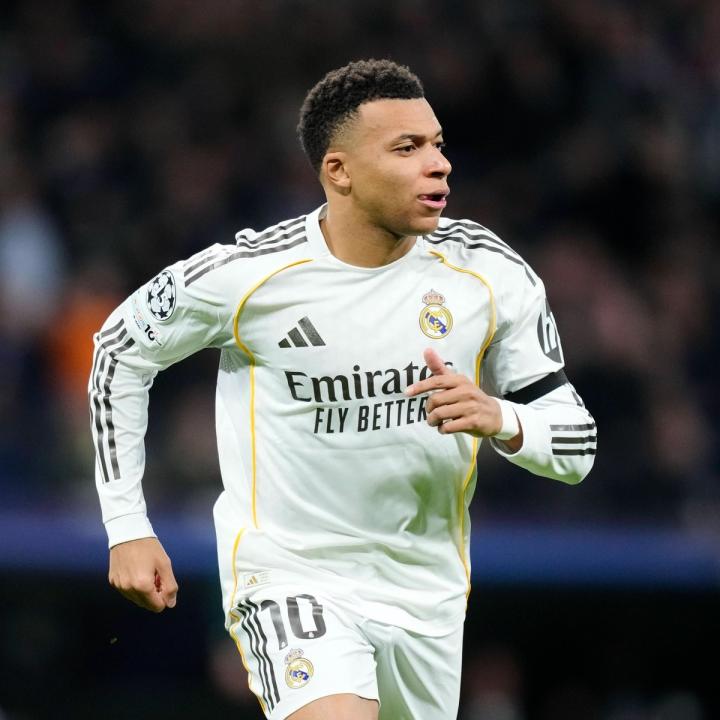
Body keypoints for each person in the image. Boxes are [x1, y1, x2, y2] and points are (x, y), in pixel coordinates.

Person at [89, 58, 596, 720]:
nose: (439, 165)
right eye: (407, 148)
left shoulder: (487, 272)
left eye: (438, 144)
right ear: (339, 171)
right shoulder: (251, 274)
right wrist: (127, 526)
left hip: (428, 596)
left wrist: (501, 416)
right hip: (292, 577)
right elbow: (119, 349)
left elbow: (577, 447)